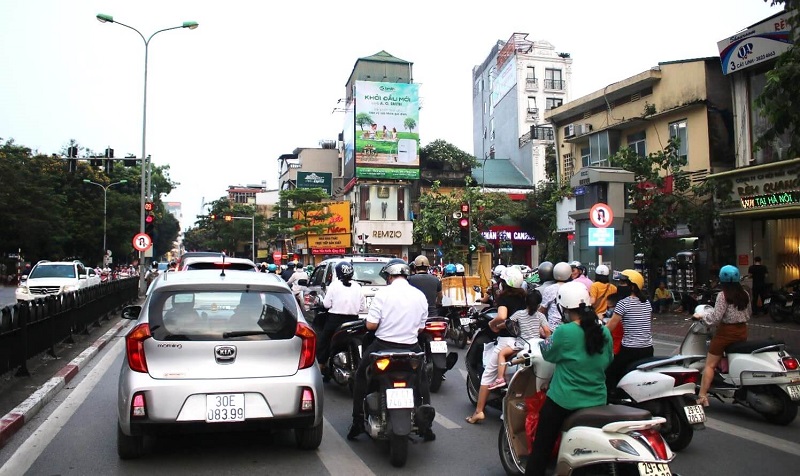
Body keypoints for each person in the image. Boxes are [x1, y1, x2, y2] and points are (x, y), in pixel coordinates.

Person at [526, 282, 613, 476]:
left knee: (541, 446)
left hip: (564, 401)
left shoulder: (564, 332)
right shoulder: (604, 331)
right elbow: (608, 360)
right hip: (598, 400)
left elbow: (548, 353)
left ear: (563, 308)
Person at [348, 259, 435, 442]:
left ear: (389, 277)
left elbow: (371, 325)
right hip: (411, 348)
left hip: (383, 347)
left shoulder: (382, 294)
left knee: (361, 376)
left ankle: (357, 420)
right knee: (422, 380)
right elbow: (420, 328)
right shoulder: (419, 295)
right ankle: (427, 425)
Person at [466, 266, 527, 423]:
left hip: (506, 340)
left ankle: (479, 411)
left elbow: (502, 316)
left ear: (504, 283)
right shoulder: (525, 297)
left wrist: (493, 324)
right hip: (524, 341)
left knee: (487, 375)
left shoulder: (503, 298)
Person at [693, 265, 751, 407]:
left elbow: (715, 318)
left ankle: (702, 396)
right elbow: (748, 314)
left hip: (726, 333)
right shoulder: (745, 294)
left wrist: (701, 317)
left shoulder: (722, 295)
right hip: (742, 331)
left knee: (710, 365)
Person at [604, 269, 654, 392]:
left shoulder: (623, 303)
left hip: (630, 350)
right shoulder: (647, 303)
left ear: (632, 286)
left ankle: (611, 397)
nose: (619, 286)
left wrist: (595, 332)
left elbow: (610, 326)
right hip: (648, 349)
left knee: (609, 372)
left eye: (622, 283)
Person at [317, 262, 364, 374]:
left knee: (324, 342)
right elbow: (362, 307)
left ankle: (320, 366)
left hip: (335, 321)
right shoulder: (358, 286)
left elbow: (327, 304)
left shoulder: (334, 285)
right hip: (354, 321)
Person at [496, 289, 548, 370]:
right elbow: (547, 331)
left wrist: (498, 326)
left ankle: (500, 379)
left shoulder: (519, 314)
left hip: (522, 345)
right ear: (539, 305)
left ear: (525, 301)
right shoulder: (541, 316)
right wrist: (548, 344)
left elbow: (507, 324)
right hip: (535, 347)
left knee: (501, 353)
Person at [538, 262, 573, 332]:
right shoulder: (573, 288)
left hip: (552, 328)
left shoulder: (549, 289)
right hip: (570, 327)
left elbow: (542, 310)